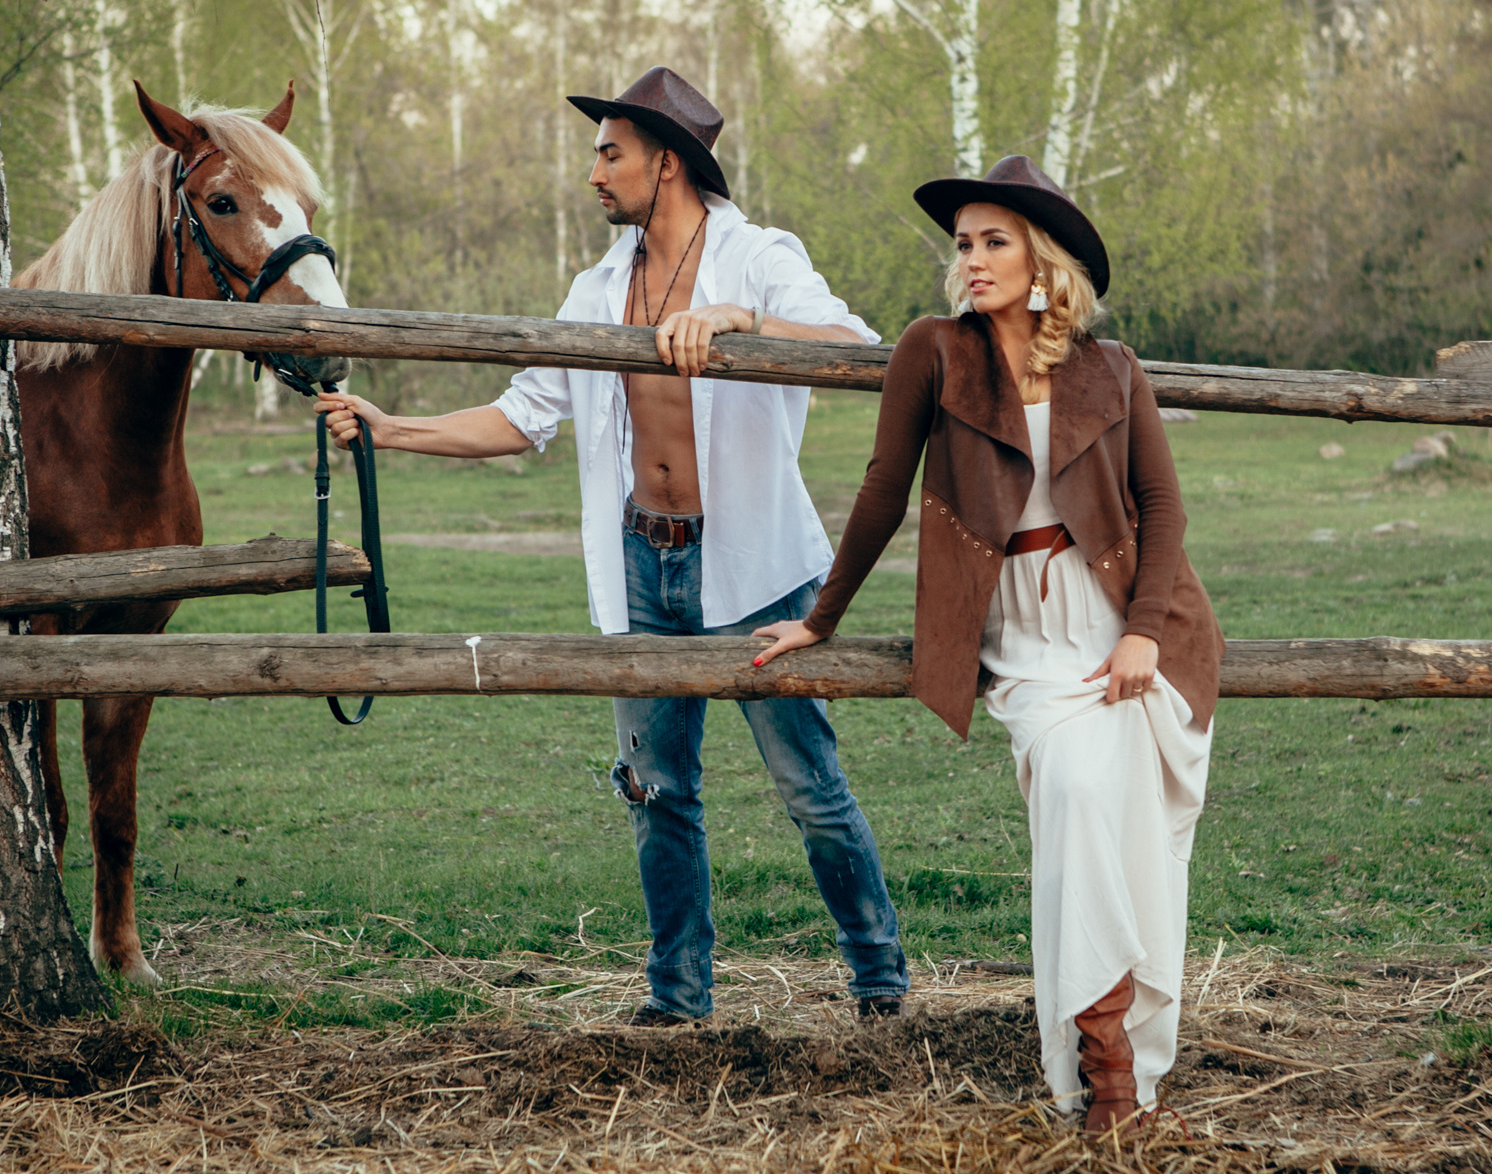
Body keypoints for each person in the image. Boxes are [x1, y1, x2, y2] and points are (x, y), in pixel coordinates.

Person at [317, 66, 911, 1025]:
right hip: (642, 566)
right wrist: (393, 430)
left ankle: (880, 986)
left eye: (610, 154)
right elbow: (524, 415)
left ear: (666, 162)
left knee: (810, 787)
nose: (593, 173)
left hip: (754, 564)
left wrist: (742, 320)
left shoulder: (758, 256)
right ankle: (677, 999)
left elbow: (860, 346)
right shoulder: (596, 288)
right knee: (657, 792)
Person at [753, 155, 1223, 1133]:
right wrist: (821, 618)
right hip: (1026, 635)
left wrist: (1141, 632)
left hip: (1128, 625)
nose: (970, 258)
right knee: (1075, 789)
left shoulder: (1111, 367)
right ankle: (1102, 1066)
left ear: (1040, 260)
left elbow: (1163, 506)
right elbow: (883, 486)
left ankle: (1117, 1079)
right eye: (963, 243)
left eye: (992, 241)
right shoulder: (934, 351)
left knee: (1133, 842)